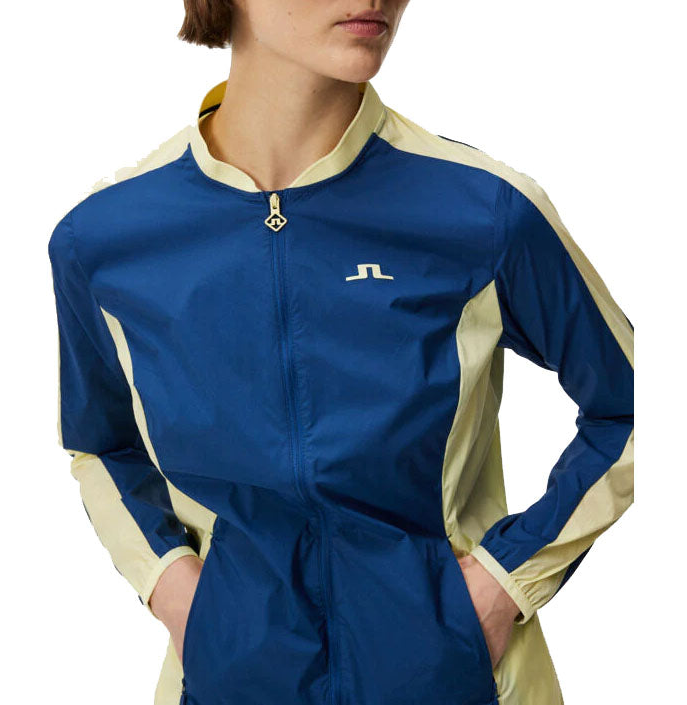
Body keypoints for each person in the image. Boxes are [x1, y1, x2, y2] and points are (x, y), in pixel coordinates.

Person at [46, 2, 634, 704]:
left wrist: (504, 581)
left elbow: (635, 407)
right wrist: (175, 590)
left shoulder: (480, 210)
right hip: (228, 684)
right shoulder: (107, 237)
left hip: (460, 682)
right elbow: (102, 444)